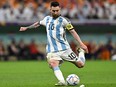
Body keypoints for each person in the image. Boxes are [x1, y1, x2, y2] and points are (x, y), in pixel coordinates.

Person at [19, 1, 88, 86]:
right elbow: (38, 23)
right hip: (52, 50)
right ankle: (62, 81)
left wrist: (81, 44)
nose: (55, 12)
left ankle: (81, 52)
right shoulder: (46, 19)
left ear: (60, 9)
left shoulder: (64, 20)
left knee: (80, 65)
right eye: (53, 10)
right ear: (50, 10)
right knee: (53, 63)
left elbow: (73, 32)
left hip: (65, 49)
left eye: (57, 10)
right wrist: (27, 27)